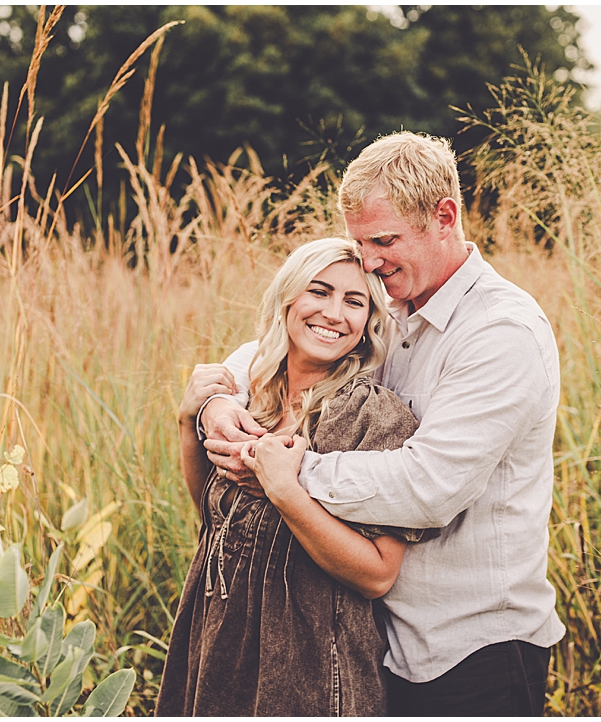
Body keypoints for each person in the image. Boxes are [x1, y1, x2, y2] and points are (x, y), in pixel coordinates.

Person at [200, 131, 566, 716]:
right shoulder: (394, 307)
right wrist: (213, 397)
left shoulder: (501, 332)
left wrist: (290, 472)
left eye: (384, 240)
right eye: (359, 242)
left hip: (476, 654)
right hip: (383, 647)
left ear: (444, 217)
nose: (368, 261)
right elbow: (284, 351)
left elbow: (427, 488)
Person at [156, 237, 432, 716]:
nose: (333, 313)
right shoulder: (251, 397)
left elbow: (377, 575)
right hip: (217, 639)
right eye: (319, 292)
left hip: (310, 666)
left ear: (368, 324)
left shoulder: (373, 418)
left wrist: (285, 490)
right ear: (287, 299)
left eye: (354, 301)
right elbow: (215, 520)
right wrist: (188, 422)